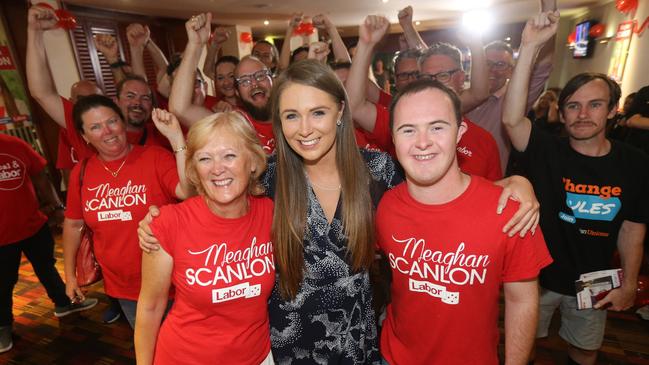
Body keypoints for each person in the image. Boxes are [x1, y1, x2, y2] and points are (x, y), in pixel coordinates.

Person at [502, 12, 649, 365]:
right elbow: (511, 119)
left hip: (594, 279)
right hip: (536, 276)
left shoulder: (635, 162)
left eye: (595, 104)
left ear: (613, 110)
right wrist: (529, 45)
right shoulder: (545, 148)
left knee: (584, 349)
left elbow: (632, 228)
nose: (583, 114)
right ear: (562, 114)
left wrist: (629, 283)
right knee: (524, 347)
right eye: (573, 106)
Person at [377, 77, 551, 364]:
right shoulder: (387, 207)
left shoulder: (510, 210)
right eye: (408, 130)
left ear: (460, 133)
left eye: (437, 127)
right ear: (393, 138)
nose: (422, 142)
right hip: (393, 356)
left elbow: (522, 300)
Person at [135, 111, 274, 364]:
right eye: (205, 159)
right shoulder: (168, 223)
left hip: (258, 357)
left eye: (229, 155)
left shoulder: (271, 214)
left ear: (253, 161)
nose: (217, 169)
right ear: (194, 170)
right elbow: (150, 307)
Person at [62, 95, 192, 328]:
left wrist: (176, 138)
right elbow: (73, 225)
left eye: (112, 121)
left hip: (172, 282)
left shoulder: (155, 157)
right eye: (95, 127)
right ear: (85, 137)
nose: (107, 131)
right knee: (151, 352)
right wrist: (70, 275)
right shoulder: (81, 173)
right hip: (124, 287)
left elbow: (187, 191)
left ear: (122, 122)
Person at [1, 134, 97, 354]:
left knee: (46, 265)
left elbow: (41, 178)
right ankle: (3, 326)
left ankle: (63, 303)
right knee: (3, 281)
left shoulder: (15, 145)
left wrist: (57, 206)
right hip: (1, 236)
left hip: (32, 225)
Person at [467, 0, 557, 173]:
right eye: (486, 63)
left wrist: (548, 8)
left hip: (489, 187)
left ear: (511, 71)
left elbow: (542, 68)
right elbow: (436, 75)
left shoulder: (512, 101)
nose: (492, 70)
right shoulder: (462, 97)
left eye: (500, 64)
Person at [168, 13, 275, 153]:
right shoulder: (235, 124)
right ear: (237, 92)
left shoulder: (292, 112)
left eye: (260, 76)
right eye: (245, 81)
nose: (254, 83)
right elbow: (180, 109)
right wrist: (195, 45)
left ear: (272, 79)